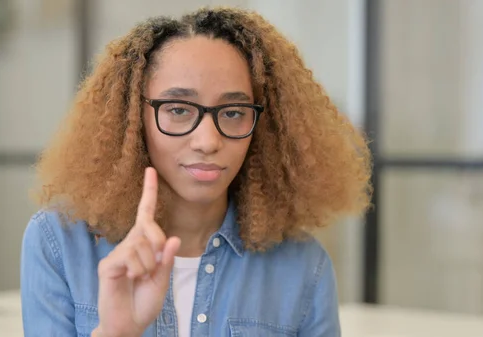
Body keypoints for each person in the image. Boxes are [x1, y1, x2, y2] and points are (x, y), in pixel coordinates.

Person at [20, 6, 371, 337]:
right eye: (178, 109)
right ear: (131, 119)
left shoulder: (303, 266)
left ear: (264, 126)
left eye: (233, 112)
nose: (207, 140)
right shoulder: (59, 243)